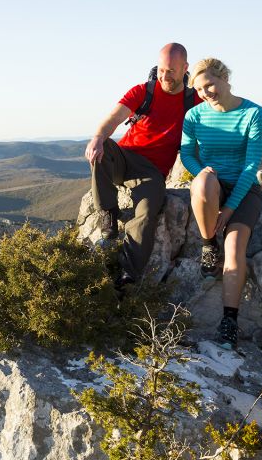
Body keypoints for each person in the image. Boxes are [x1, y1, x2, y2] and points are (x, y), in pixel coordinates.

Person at [85, 43, 202, 288]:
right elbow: (114, 118)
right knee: (102, 148)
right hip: (124, 157)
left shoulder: (193, 101)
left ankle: (128, 275)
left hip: (151, 172)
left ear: (185, 68)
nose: (164, 76)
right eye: (161, 70)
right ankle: (107, 215)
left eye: (171, 70)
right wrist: (98, 137)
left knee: (148, 214)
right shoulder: (144, 91)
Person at [180, 58, 262, 350]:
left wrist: (229, 210)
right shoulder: (194, 116)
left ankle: (229, 320)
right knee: (203, 183)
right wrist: (201, 170)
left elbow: (251, 165)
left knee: (234, 248)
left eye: (210, 85)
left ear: (225, 79)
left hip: (244, 189)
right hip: (213, 183)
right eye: (200, 89)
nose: (206, 93)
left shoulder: (253, 113)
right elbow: (187, 154)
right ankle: (208, 244)